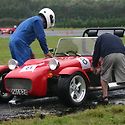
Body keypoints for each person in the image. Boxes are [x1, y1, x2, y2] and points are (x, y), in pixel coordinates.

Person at [91, 33, 125, 104]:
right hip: (121, 55)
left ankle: (105, 97)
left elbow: (96, 53)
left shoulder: (100, 39)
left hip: (109, 54)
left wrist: (94, 65)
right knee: (123, 77)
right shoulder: (117, 38)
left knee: (104, 76)